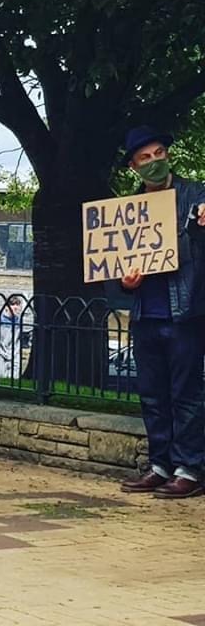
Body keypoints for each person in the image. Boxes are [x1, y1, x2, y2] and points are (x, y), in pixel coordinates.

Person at [118, 126, 205, 499]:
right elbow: (116, 266)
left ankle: (190, 468)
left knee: (186, 393)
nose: (154, 162)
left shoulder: (193, 195)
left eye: (158, 154)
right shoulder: (126, 212)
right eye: (145, 158)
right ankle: (160, 465)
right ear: (134, 167)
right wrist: (127, 283)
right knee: (152, 394)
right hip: (146, 314)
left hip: (183, 313)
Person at [0, 296, 26, 379]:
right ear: (6, 307)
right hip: (0, 351)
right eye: (14, 305)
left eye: (18, 305)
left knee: (15, 378)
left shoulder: (19, 321)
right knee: (0, 377)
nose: (16, 308)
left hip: (15, 352)